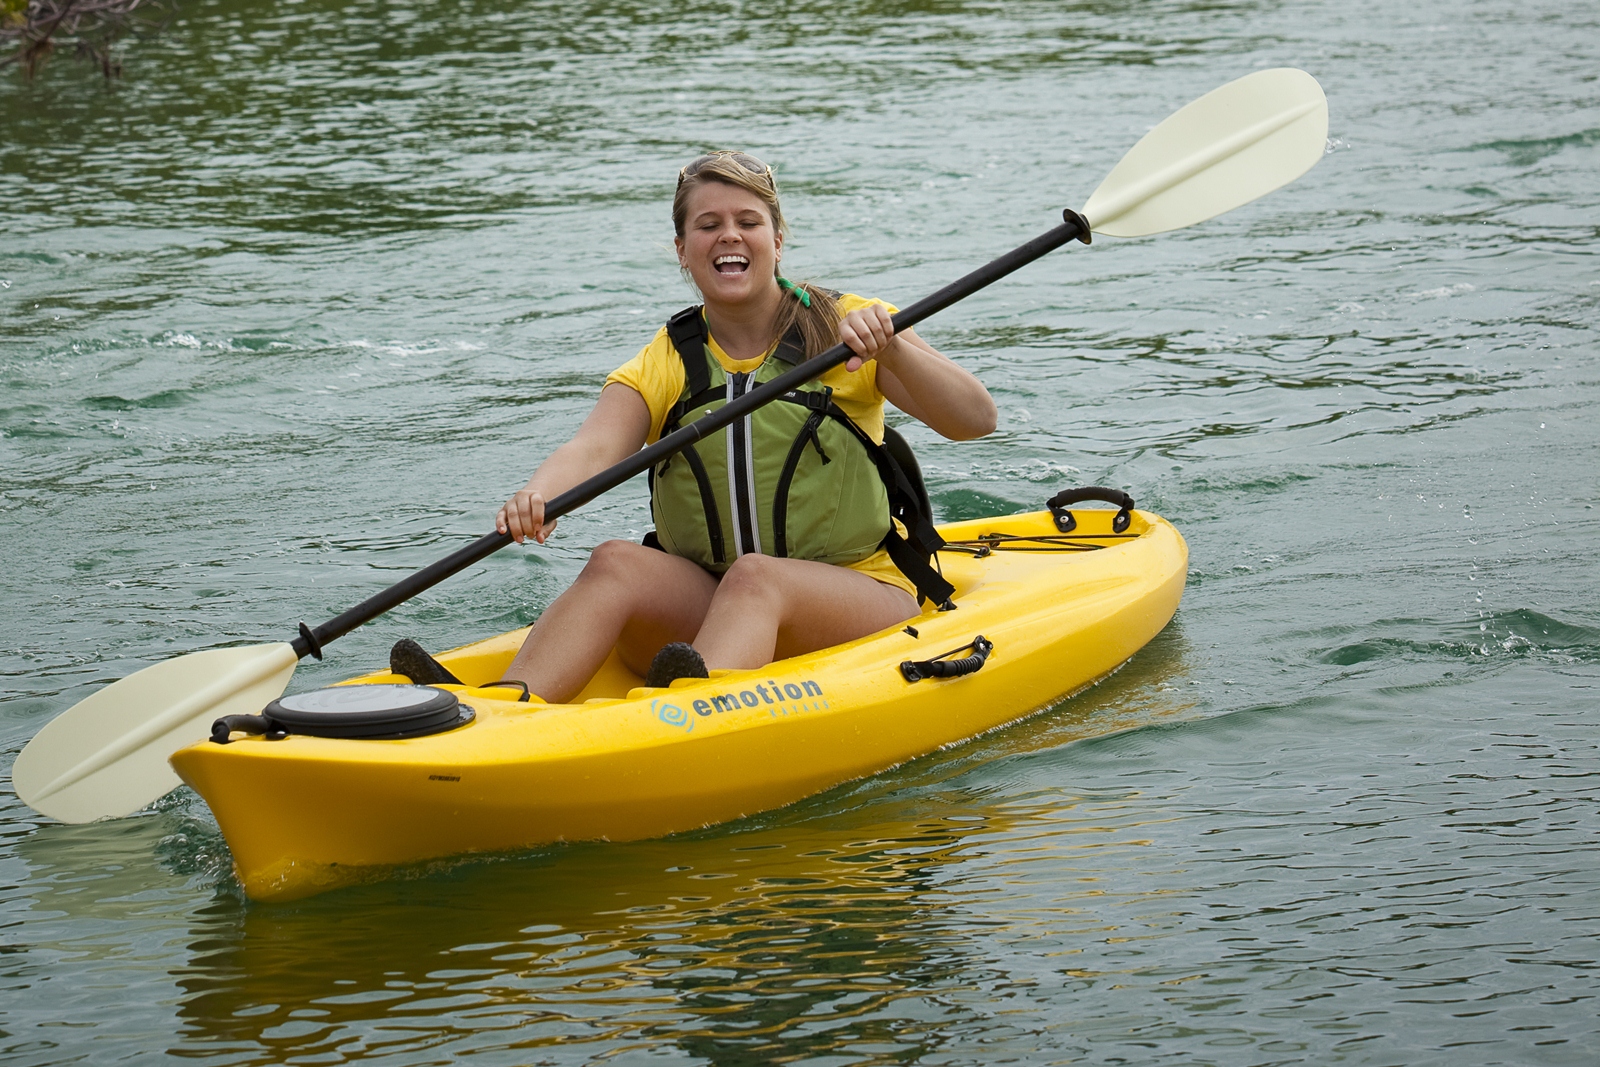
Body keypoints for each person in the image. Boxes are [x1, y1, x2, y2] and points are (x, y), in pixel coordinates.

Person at [393, 151, 996, 703]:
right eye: (707, 225)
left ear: (777, 241)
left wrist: (894, 351)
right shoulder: (669, 356)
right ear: (682, 249)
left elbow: (976, 420)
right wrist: (537, 497)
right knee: (616, 561)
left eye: (748, 221)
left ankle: (679, 718)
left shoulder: (850, 325)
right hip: (716, 600)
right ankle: (507, 706)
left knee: (757, 578)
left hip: (860, 597)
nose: (729, 234)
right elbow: (595, 445)